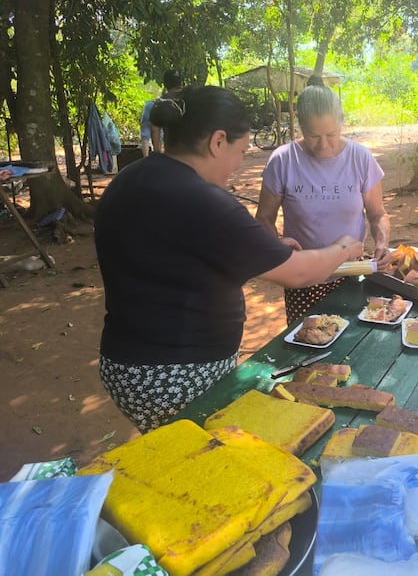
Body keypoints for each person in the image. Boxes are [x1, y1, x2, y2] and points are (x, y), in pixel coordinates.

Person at [94, 85, 364, 433]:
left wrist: (263, 248)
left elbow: (176, 257)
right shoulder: (203, 201)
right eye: (240, 151)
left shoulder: (131, 178)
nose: (238, 165)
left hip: (125, 364)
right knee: (208, 453)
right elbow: (299, 274)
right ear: (217, 141)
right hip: (175, 375)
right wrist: (344, 247)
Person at [256, 84, 391, 324]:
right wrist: (277, 246)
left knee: (353, 347)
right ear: (300, 128)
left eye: (331, 134)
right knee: (308, 347)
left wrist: (382, 243)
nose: (324, 145)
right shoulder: (283, 160)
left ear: (342, 123)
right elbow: (264, 217)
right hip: (304, 278)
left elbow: (377, 213)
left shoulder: (360, 158)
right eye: (313, 136)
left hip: (352, 275)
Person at [150, 69, 184, 153]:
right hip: (194, 152)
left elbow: (155, 130)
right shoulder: (193, 97)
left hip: (172, 150)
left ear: (165, 84)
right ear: (181, 82)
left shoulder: (162, 102)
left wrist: (157, 152)